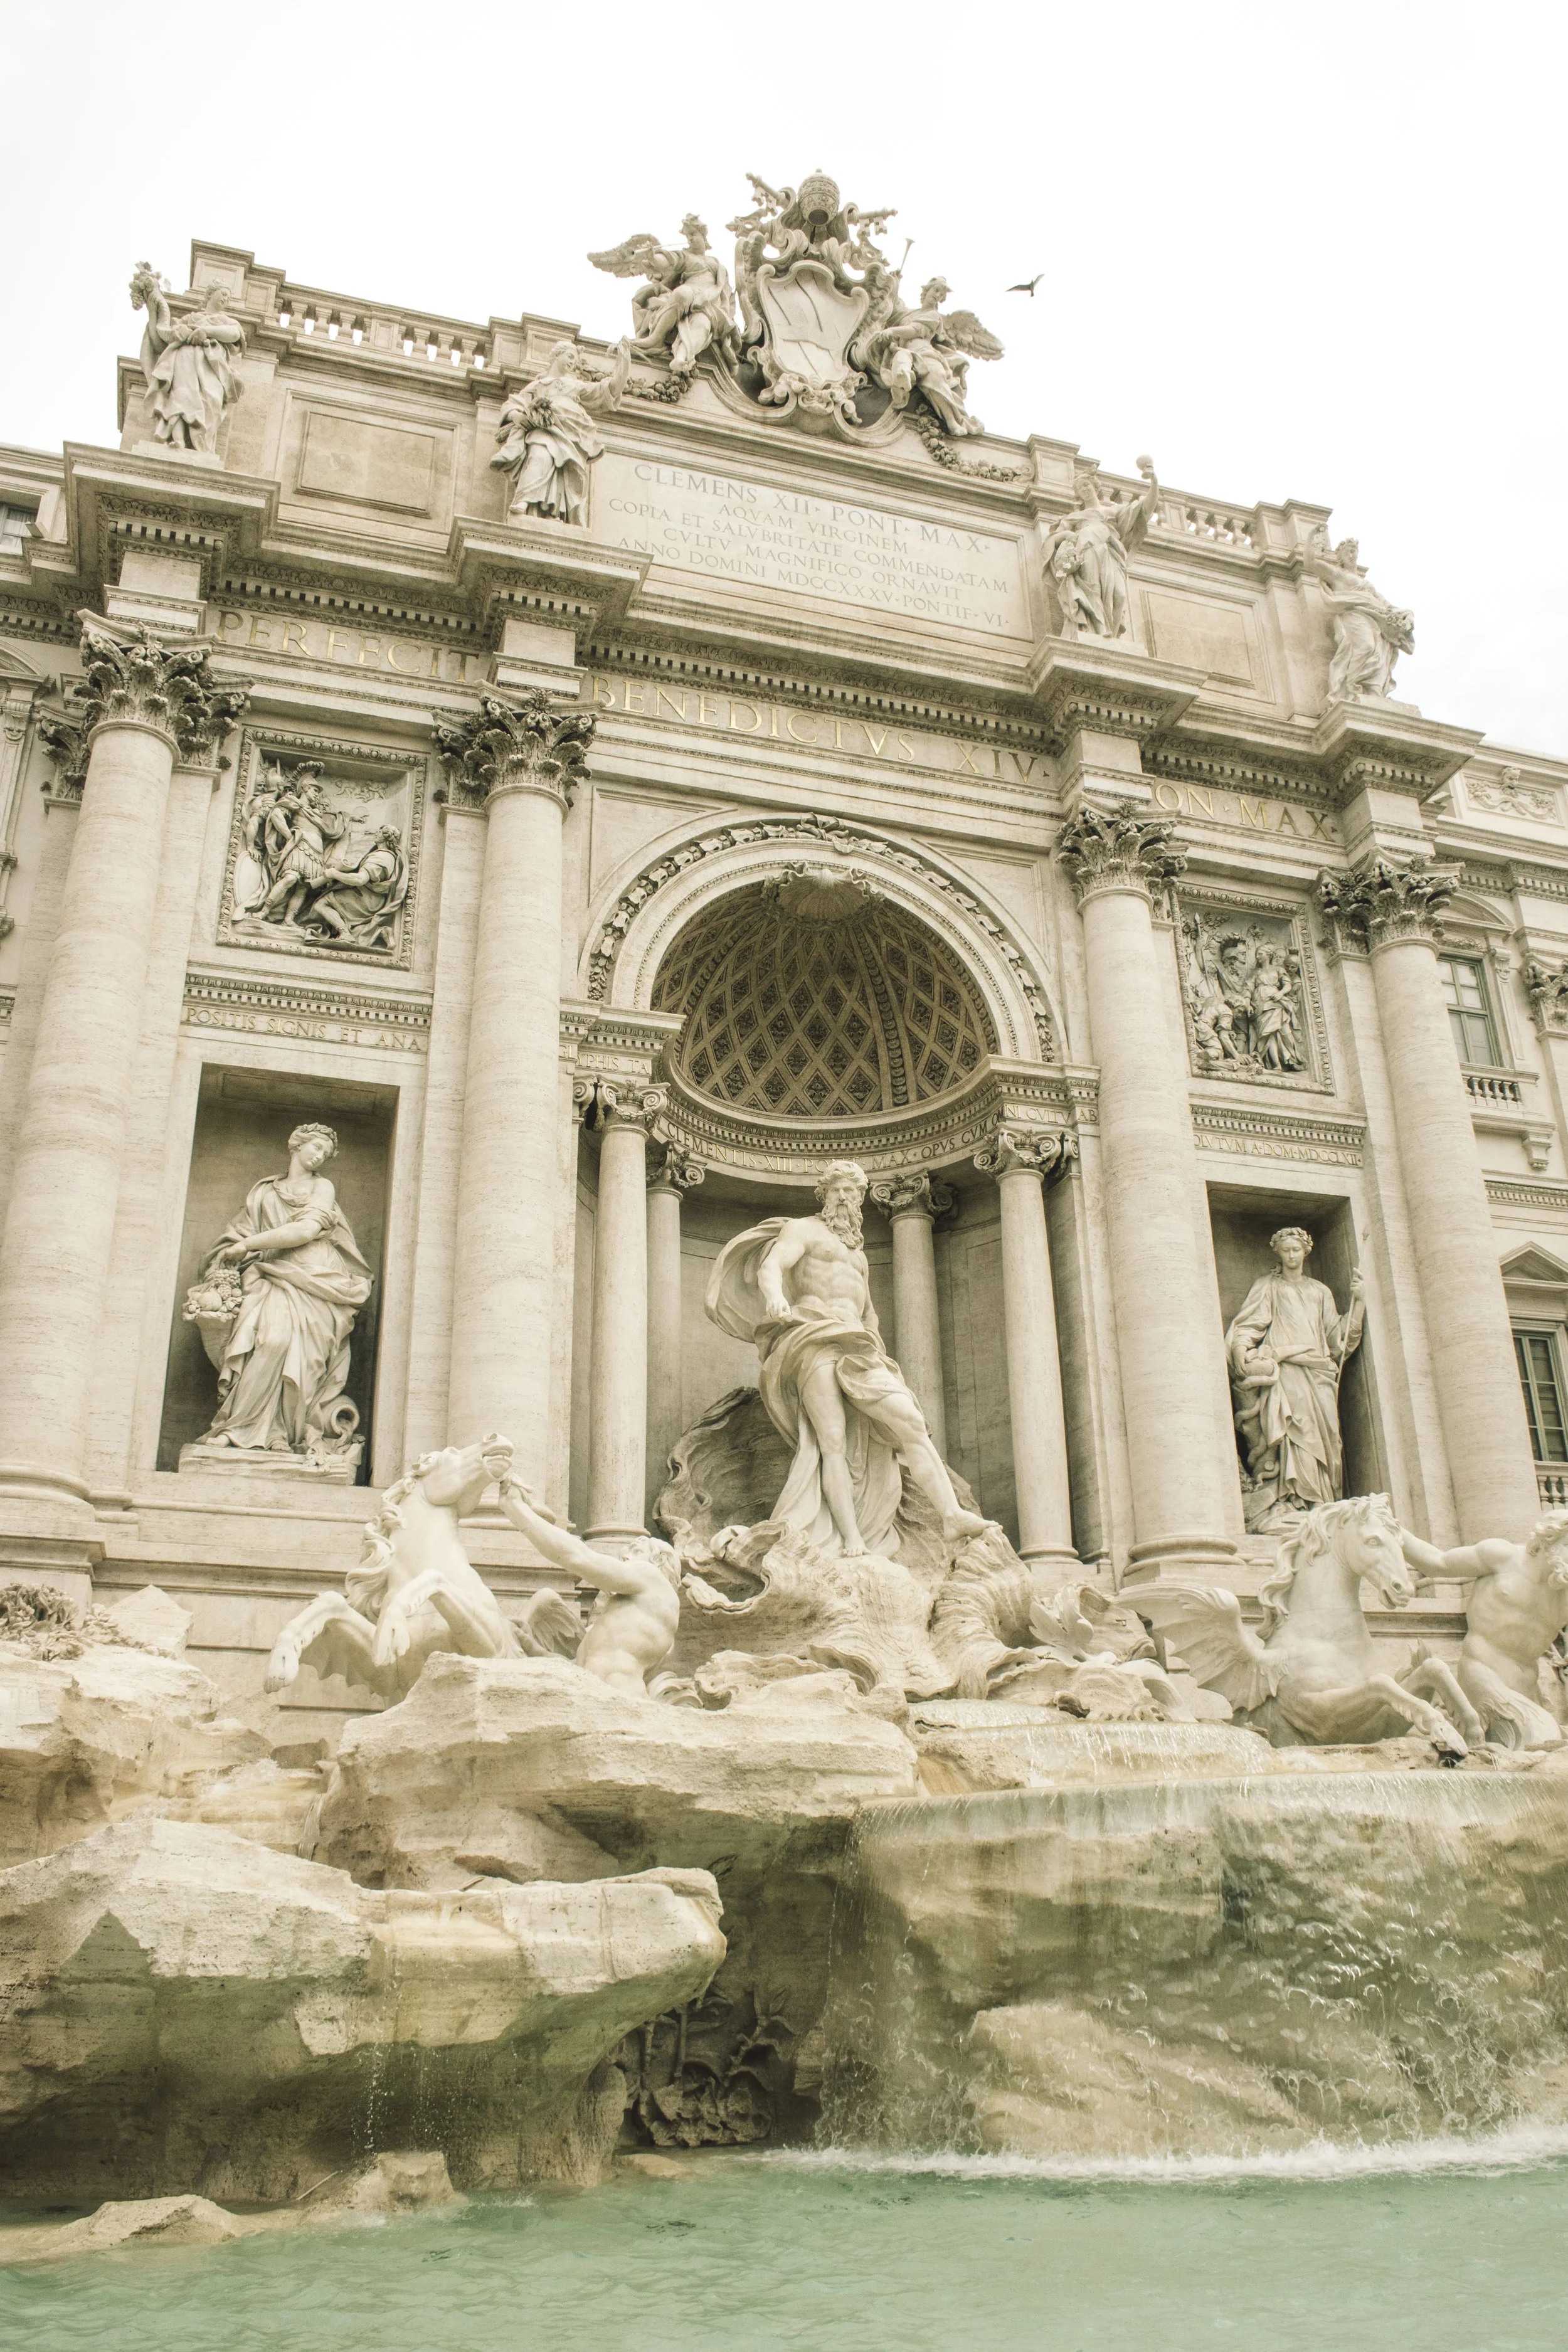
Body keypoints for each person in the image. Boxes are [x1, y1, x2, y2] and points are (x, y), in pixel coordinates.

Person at [706, 1160, 987, 1559]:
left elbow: (868, 1310)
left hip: (859, 1344)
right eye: (837, 1189)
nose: (844, 1196)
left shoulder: (859, 1255)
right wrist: (776, 1298)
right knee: (832, 1441)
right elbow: (772, 1264)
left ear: (861, 1199)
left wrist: (877, 1348)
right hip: (812, 1336)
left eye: (852, 1191)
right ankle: (852, 1539)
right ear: (824, 1196)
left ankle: (951, 1514)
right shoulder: (803, 1230)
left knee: (909, 1421)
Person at [199, 1123, 373, 1457]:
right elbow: (237, 1235)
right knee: (272, 1341)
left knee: (305, 1358)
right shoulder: (264, 1192)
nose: (320, 1156)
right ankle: (238, 1427)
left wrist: (249, 1244)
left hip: (318, 1279)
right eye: (316, 1147)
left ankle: (284, 1434)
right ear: (296, 1145)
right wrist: (234, 1251)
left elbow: (305, 1230)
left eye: (326, 1153)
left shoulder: (323, 1187)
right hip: (272, 1275)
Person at [482, 1443, 680, 1697]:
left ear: (659, 1561)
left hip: (619, 1699)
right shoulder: (626, 1615)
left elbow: (576, 1556)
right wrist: (532, 1648)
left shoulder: (652, 1579)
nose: (625, 1557)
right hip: (597, 1696)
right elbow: (580, 1668)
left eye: (637, 1551)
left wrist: (517, 1510)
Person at [1225, 1227, 1364, 1529]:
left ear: (1306, 1252)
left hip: (1318, 1373)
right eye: (1286, 1250)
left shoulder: (1320, 1291)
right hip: (1287, 1371)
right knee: (1291, 1431)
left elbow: (1337, 1341)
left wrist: (1360, 1302)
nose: (1291, 1255)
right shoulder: (1268, 1286)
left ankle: (1322, 1501)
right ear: (1279, 1253)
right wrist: (1240, 1346)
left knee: (1327, 1439)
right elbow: (1250, 1323)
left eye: (1296, 1250)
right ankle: (1291, 1499)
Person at [1396, 1510, 1568, 1750]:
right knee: (1542, 1739)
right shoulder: (1502, 1557)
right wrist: (1389, 1526)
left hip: (1528, 1689)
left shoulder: (1564, 1590)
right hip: (1483, 1674)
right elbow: (1437, 1562)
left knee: (1548, 1741)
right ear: (1548, 1540)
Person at [490, 338, 632, 525]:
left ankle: (554, 512)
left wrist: (624, 361)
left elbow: (611, 389)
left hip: (571, 431)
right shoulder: (539, 385)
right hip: (544, 427)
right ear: (557, 355)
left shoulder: (575, 386)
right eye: (570, 356)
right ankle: (524, 502)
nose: (573, 362)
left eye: (575, 360)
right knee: (540, 455)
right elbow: (513, 404)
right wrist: (518, 417)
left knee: (563, 468)